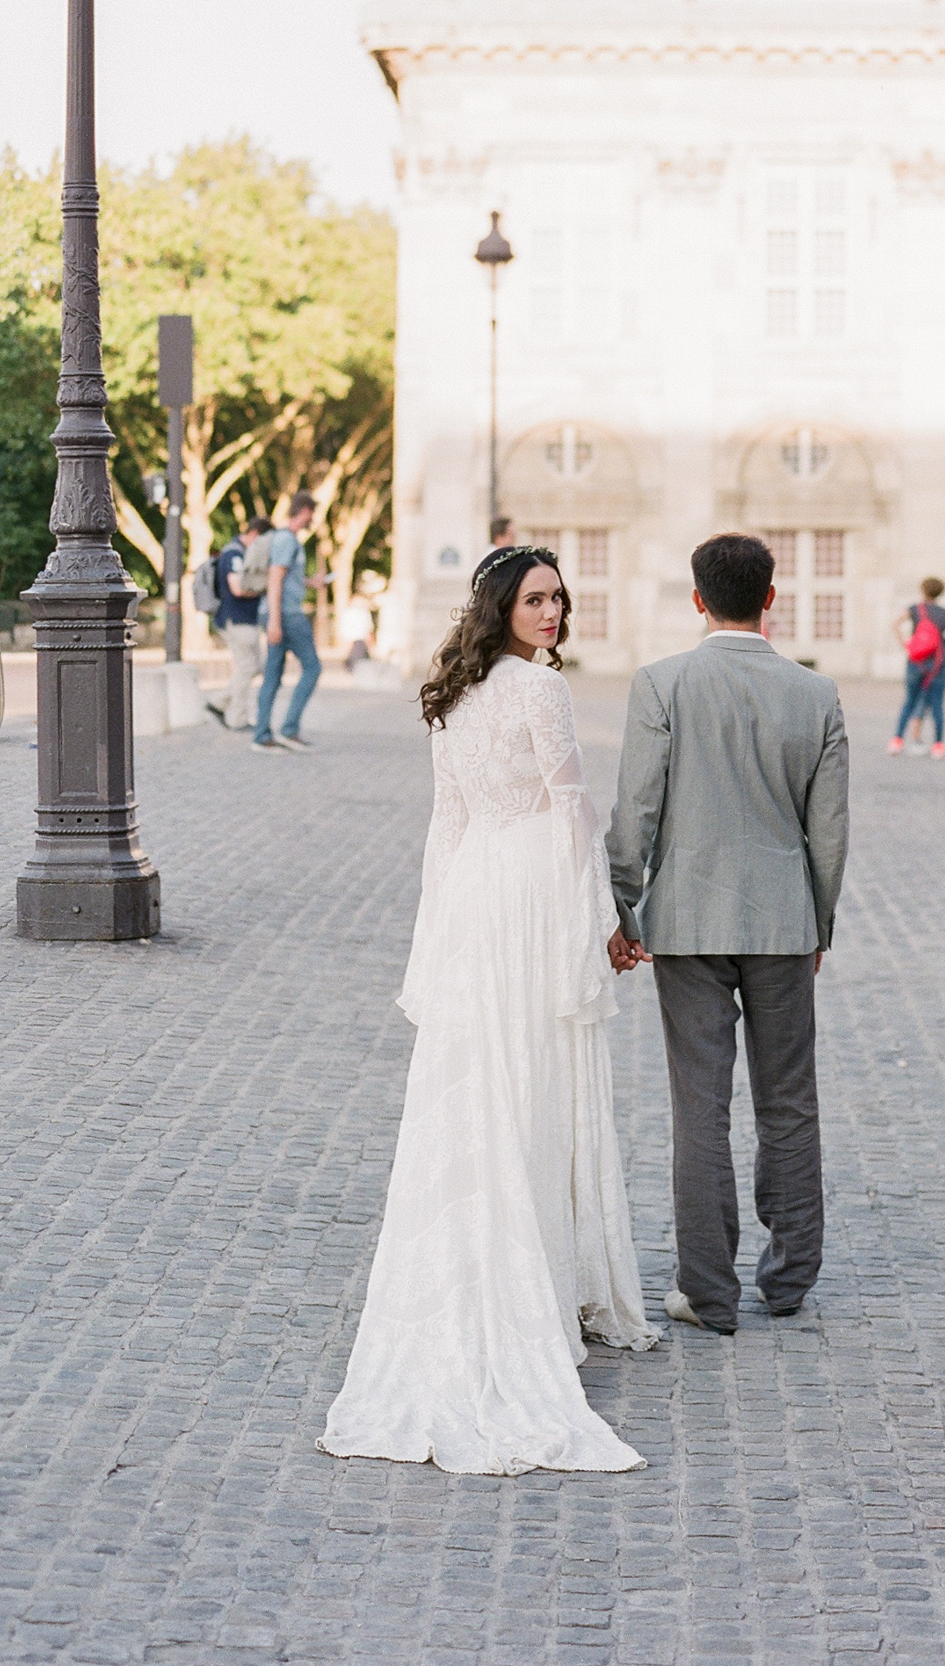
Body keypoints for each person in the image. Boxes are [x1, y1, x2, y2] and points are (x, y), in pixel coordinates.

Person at [318, 543, 655, 1475]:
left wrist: (438, 935)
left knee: (483, 1088)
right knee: (525, 1087)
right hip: (527, 901)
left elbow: (449, 826)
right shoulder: (540, 690)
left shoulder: (453, 692)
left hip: (476, 899)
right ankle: (524, 1291)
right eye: (537, 598)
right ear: (502, 603)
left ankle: (517, 1271)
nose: (552, 613)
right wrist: (604, 926)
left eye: (559, 598)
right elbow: (575, 809)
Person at [604, 531, 849, 1335]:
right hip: (782, 919)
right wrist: (819, 920)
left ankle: (706, 1289)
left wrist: (623, 906)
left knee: (699, 1105)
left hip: (687, 922)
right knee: (789, 1100)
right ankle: (789, 1279)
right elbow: (830, 830)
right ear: (772, 598)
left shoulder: (663, 683)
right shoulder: (815, 695)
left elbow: (637, 808)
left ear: (698, 598)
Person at [252, 492, 322, 754]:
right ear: (303, 511)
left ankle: (263, 734)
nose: (312, 520)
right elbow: (275, 579)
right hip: (286, 615)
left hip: (281, 613)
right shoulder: (286, 540)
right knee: (312, 668)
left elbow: (286, 578)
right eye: (311, 514)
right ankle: (287, 729)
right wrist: (274, 622)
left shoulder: (287, 540)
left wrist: (310, 582)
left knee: (273, 674)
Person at [210, 514, 273, 731]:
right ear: (255, 535)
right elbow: (237, 588)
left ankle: (219, 701)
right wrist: (266, 586)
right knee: (248, 666)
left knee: (251, 667)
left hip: (241, 619)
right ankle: (236, 717)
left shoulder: (238, 552)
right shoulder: (235, 554)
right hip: (237, 619)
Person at [888, 577, 945, 759]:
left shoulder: (915, 609)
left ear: (923, 590)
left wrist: (905, 644)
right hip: (937, 664)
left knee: (909, 701)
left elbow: (895, 624)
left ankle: (897, 741)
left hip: (915, 662)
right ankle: (938, 745)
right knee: (937, 705)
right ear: (940, 593)